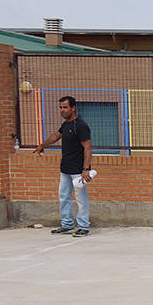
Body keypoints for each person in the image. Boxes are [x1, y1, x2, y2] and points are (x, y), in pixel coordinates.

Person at [33, 95, 93, 237]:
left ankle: (83, 226)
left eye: (65, 107)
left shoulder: (81, 126)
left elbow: (88, 148)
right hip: (65, 168)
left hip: (78, 170)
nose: (62, 110)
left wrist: (86, 169)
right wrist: (43, 145)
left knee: (81, 198)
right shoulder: (66, 125)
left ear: (73, 108)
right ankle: (67, 225)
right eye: (60, 107)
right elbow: (55, 136)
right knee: (64, 196)